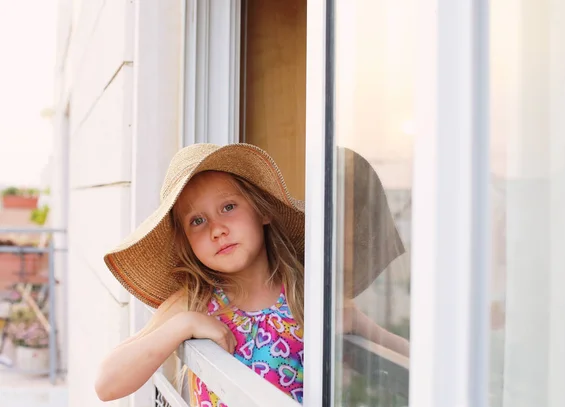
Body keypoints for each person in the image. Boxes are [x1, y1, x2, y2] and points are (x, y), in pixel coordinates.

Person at [95, 143, 409, 406]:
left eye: (229, 207)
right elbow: (107, 384)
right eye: (197, 221)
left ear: (263, 211)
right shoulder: (196, 302)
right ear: (187, 243)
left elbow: (401, 357)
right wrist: (183, 324)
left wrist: (355, 324)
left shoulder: (306, 297)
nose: (217, 229)